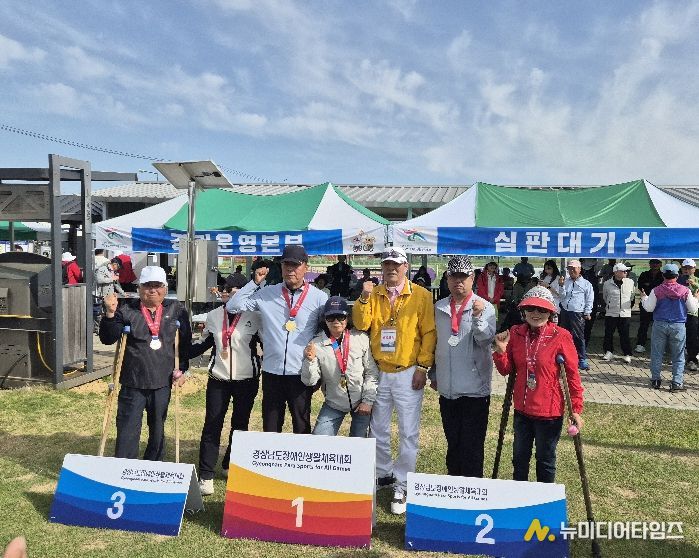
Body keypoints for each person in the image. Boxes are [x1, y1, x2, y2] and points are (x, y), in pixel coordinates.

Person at [352, 246, 436, 515]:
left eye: (396, 265)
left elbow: (429, 333)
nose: (390, 269)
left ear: (405, 268)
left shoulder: (421, 295)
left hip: (408, 371)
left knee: (408, 431)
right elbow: (361, 324)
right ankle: (383, 473)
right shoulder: (373, 293)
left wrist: (423, 366)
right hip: (380, 371)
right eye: (386, 264)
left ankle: (403, 484)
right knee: (378, 428)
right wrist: (364, 297)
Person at [226, 245, 327, 433]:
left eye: (295, 265)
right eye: (286, 265)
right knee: (271, 427)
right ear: (280, 267)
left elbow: (326, 332)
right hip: (272, 371)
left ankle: (300, 453)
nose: (290, 270)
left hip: (300, 372)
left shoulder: (319, 298)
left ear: (306, 267)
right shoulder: (266, 293)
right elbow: (232, 306)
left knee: (301, 425)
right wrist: (254, 283)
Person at [493, 286, 584, 483]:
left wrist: (576, 410)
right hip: (522, 410)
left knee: (545, 461)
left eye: (542, 309)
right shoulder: (516, 333)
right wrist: (501, 351)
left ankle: (545, 500)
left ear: (550, 312)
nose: (536, 313)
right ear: (523, 311)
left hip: (549, 413)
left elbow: (572, 376)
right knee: (519, 460)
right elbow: (506, 370)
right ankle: (520, 498)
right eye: (531, 308)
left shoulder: (561, 336)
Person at [99, 266, 191, 460]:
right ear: (139, 288)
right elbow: (108, 338)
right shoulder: (126, 309)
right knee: (127, 427)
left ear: (165, 288)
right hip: (133, 381)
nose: (153, 290)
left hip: (162, 380)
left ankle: (153, 465)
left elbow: (184, 344)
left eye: (157, 285)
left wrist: (182, 370)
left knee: (157, 428)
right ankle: (125, 466)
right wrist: (110, 314)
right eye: (148, 286)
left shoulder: (176, 309)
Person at [190, 286, 261, 496]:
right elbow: (203, 343)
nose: (233, 296)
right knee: (212, 424)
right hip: (218, 379)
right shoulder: (213, 315)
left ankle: (230, 464)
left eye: (239, 292)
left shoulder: (255, 316)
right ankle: (206, 475)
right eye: (229, 292)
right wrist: (178, 350)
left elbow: (269, 343)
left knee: (240, 424)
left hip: (246, 380)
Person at [429, 256, 496, 478]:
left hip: (474, 391)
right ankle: (454, 487)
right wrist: (434, 373)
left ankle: (473, 489)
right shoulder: (439, 307)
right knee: (453, 444)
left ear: (472, 278)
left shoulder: (485, 307)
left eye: (463, 277)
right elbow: (435, 343)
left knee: (472, 447)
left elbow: (486, 340)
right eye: (454, 276)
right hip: (447, 390)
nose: (458, 281)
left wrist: (478, 317)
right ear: (447, 279)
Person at [301, 297, 378, 437]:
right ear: (325, 319)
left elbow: (371, 372)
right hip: (333, 403)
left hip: (361, 402)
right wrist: (309, 361)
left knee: (359, 443)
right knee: (318, 440)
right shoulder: (316, 344)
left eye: (340, 317)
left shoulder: (361, 338)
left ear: (347, 318)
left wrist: (368, 401)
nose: (336, 321)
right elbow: (310, 381)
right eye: (331, 317)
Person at [642, 263, 698, 392]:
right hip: (678, 325)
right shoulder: (685, 290)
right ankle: (677, 383)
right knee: (678, 356)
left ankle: (655, 380)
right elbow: (693, 309)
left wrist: (644, 298)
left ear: (663, 276)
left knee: (657, 354)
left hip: (660, 324)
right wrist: (696, 298)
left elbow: (649, 308)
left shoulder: (656, 290)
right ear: (677, 276)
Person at [555, 259, 594, 370]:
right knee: (563, 335)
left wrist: (587, 312)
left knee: (578, 336)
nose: (571, 271)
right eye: (569, 269)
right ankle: (563, 355)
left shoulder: (586, 284)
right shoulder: (565, 281)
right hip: (565, 311)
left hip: (577, 312)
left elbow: (589, 299)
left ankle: (582, 359)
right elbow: (562, 296)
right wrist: (561, 286)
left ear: (579, 269)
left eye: (574, 268)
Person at [601, 263, 635, 363]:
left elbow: (632, 296)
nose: (626, 272)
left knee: (625, 334)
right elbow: (605, 297)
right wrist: (610, 305)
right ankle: (608, 352)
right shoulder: (607, 283)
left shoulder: (630, 282)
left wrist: (627, 307)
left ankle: (627, 354)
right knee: (608, 333)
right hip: (611, 312)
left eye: (626, 271)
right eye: (623, 271)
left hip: (625, 313)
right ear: (616, 272)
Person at [635, 259, 664, 352]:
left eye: (657, 263)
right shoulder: (644, 274)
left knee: (660, 325)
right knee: (644, 324)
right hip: (646, 302)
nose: (655, 265)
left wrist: (649, 286)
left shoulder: (663, 275)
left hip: (660, 304)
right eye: (653, 263)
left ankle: (660, 346)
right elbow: (641, 287)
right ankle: (640, 344)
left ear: (660, 264)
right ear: (650, 264)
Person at [93, 257, 126, 331]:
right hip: (99, 295)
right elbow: (99, 280)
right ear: (115, 264)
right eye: (118, 267)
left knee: (108, 312)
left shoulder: (113, 272)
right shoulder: (102, 269)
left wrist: (123, 293)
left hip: (108, 296)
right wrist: (112, 278)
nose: (118, 269)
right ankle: (98, 329)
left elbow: (116, 284)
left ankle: (105, 328)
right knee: (98, 313)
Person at [679, 259, 699, 372]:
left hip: (693, 314)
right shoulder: (677, 280)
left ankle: (692, 360)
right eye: (685, 268)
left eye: (690, 268)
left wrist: (694, 285)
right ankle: (677, 358)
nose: (687, 270)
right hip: (679, 313)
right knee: (678, 337)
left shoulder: (697, 280)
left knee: (693, 337)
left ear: (694, 269)